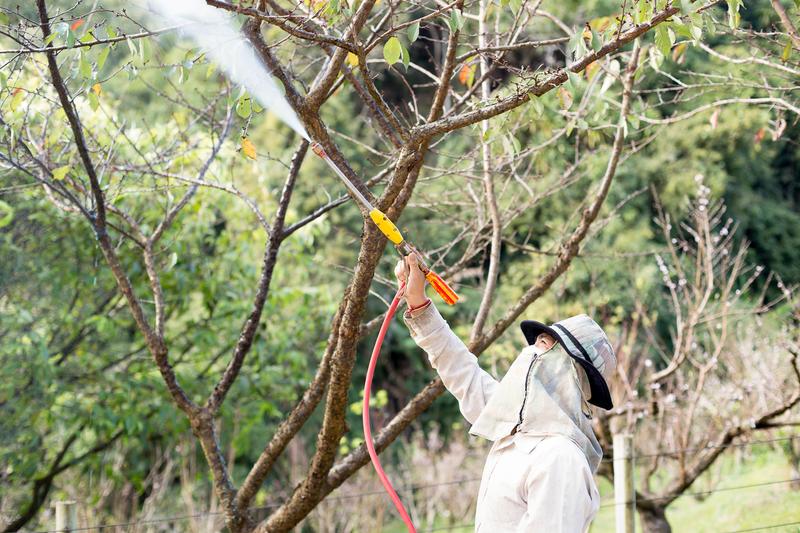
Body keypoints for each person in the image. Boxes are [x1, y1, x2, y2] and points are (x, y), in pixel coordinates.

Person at [394, 254, 617, 532]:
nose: (532, 350)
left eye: (545, 343)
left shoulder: (559, 459)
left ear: (569, 373)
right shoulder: (517, 428)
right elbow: (462, 372)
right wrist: (418, 301)